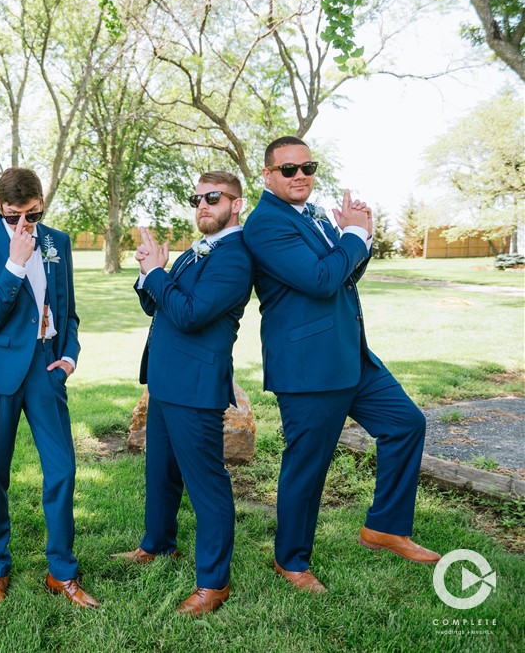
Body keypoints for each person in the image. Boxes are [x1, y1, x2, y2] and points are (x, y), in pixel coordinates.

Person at [243, 136, 440, 594]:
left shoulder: (307, 216)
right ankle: (290, 560)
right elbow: (319, 279)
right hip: (309, 367)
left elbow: (344, 275)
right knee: (308, 467)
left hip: (352, 356)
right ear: (268, 176)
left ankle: (385, 528)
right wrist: (352, 236)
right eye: (288, 169)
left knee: (406, 423)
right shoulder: (265, 224)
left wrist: (361, 237)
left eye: (307, 167)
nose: (300, 176)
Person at [111, 171, 253, 617]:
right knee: (161, 473)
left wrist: (157, 273)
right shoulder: (196, 253)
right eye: (198, 199)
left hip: (195, 387)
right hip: (166, 381)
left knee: (207, 485)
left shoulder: (235, 256)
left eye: (214, 197)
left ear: (237, 204)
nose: (203, 205)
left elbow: (189, 315)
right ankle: (157, 545)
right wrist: (146, 272)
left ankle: (214, 584)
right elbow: (159, 303)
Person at [0, 167, 98, 609]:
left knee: (62, 469)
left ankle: (62, 573)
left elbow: (69, 310)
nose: (26, 224)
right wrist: (15, 262)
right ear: (1, 207)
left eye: (34, 214)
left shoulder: (58, 241)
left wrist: (69, 357)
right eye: (16, 215)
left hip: (45, 366)